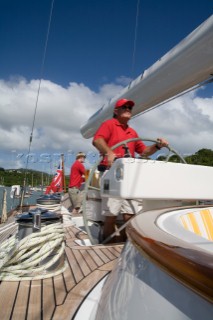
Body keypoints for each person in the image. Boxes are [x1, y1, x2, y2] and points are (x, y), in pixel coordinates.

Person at [92, 98, 169, 241]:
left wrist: (158, 146)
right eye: (124, 107)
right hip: (112, 173)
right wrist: (109, 152)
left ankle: (125, 244)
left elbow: (144, 151)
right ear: (116, 111)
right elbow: (97, 140)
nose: (128, 109)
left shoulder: (132, 132)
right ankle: (107, 246)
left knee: (131, 214)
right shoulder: (109, 124)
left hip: (129, 176)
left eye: (130, 107)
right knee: (111, 215)